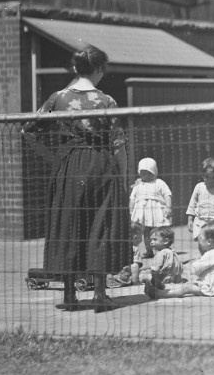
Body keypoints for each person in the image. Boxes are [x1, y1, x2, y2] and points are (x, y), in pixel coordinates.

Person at [21, 44, 132, 312]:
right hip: (101, 166)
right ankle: (100, 295)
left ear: (75, 68)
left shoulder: (57, 98)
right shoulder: (106, 101)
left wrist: (54, 160)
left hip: (69, 166)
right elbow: (118, 145)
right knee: (100, 226)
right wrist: (123, 176)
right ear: (99, 69)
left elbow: (28, 131)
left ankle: (70, 296)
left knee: (69, 225)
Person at [147, 220, 214, 299]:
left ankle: (159, 293)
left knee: (187, 288)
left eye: (200, 238)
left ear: (209, 242)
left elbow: (195, 269)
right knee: (190, 284)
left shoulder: (211, 254)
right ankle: (165, 288)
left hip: (212, 288)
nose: (198, 240)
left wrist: (195, 264)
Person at [128, 157, 172, 285]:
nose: (146, 176)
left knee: (156, 231)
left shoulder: (159, 183)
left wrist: (168, 207)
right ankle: (145, 251)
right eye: (143, 173)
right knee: (141, 232)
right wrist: (131, 210)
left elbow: (167, 195)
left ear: (154, 172)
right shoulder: (137, 186)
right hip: (141, 212)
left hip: (155, 211)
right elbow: (132, 199)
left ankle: (160, 249)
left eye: (149, 173)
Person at [142, 226, 183, 290]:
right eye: (151, 240)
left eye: (155, 239)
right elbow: (179, 267)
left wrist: (154, 282)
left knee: (144, 276)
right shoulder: (172, 252)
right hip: (174, 278)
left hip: (163, 280)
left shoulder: (161, 254)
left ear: (166, 241)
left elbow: (155, 270)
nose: (151, 242)